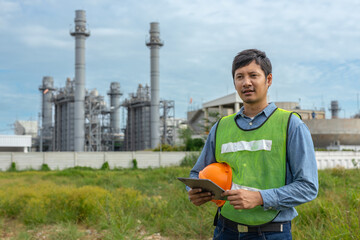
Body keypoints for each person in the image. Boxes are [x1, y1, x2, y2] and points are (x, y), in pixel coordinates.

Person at [188, 49, 318, 239]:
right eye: (239, 76)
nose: (246, 82)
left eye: (253, 75)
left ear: (269, 80)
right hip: (225, 230)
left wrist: (260, 198)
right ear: (234, 83)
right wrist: (195, 192)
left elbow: (308, 187)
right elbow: (196, 173)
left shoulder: (291, 125)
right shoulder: (221, 127)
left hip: (271, 233)